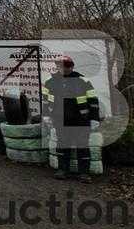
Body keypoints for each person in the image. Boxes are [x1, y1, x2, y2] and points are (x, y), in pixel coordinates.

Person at [42, 55, 100, 183]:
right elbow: (45, 101)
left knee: (82, 146)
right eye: (61, 65)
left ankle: (84, 174)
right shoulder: (49, 81)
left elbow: (93, 100)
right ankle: (63, 170)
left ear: (72, 66)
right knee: (62, 145)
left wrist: (94, 118)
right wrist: (46, 115)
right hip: (60, 120)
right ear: (57, 66)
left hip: (81, 120)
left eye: (68, 65)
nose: (64, 68)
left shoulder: (82, 80)